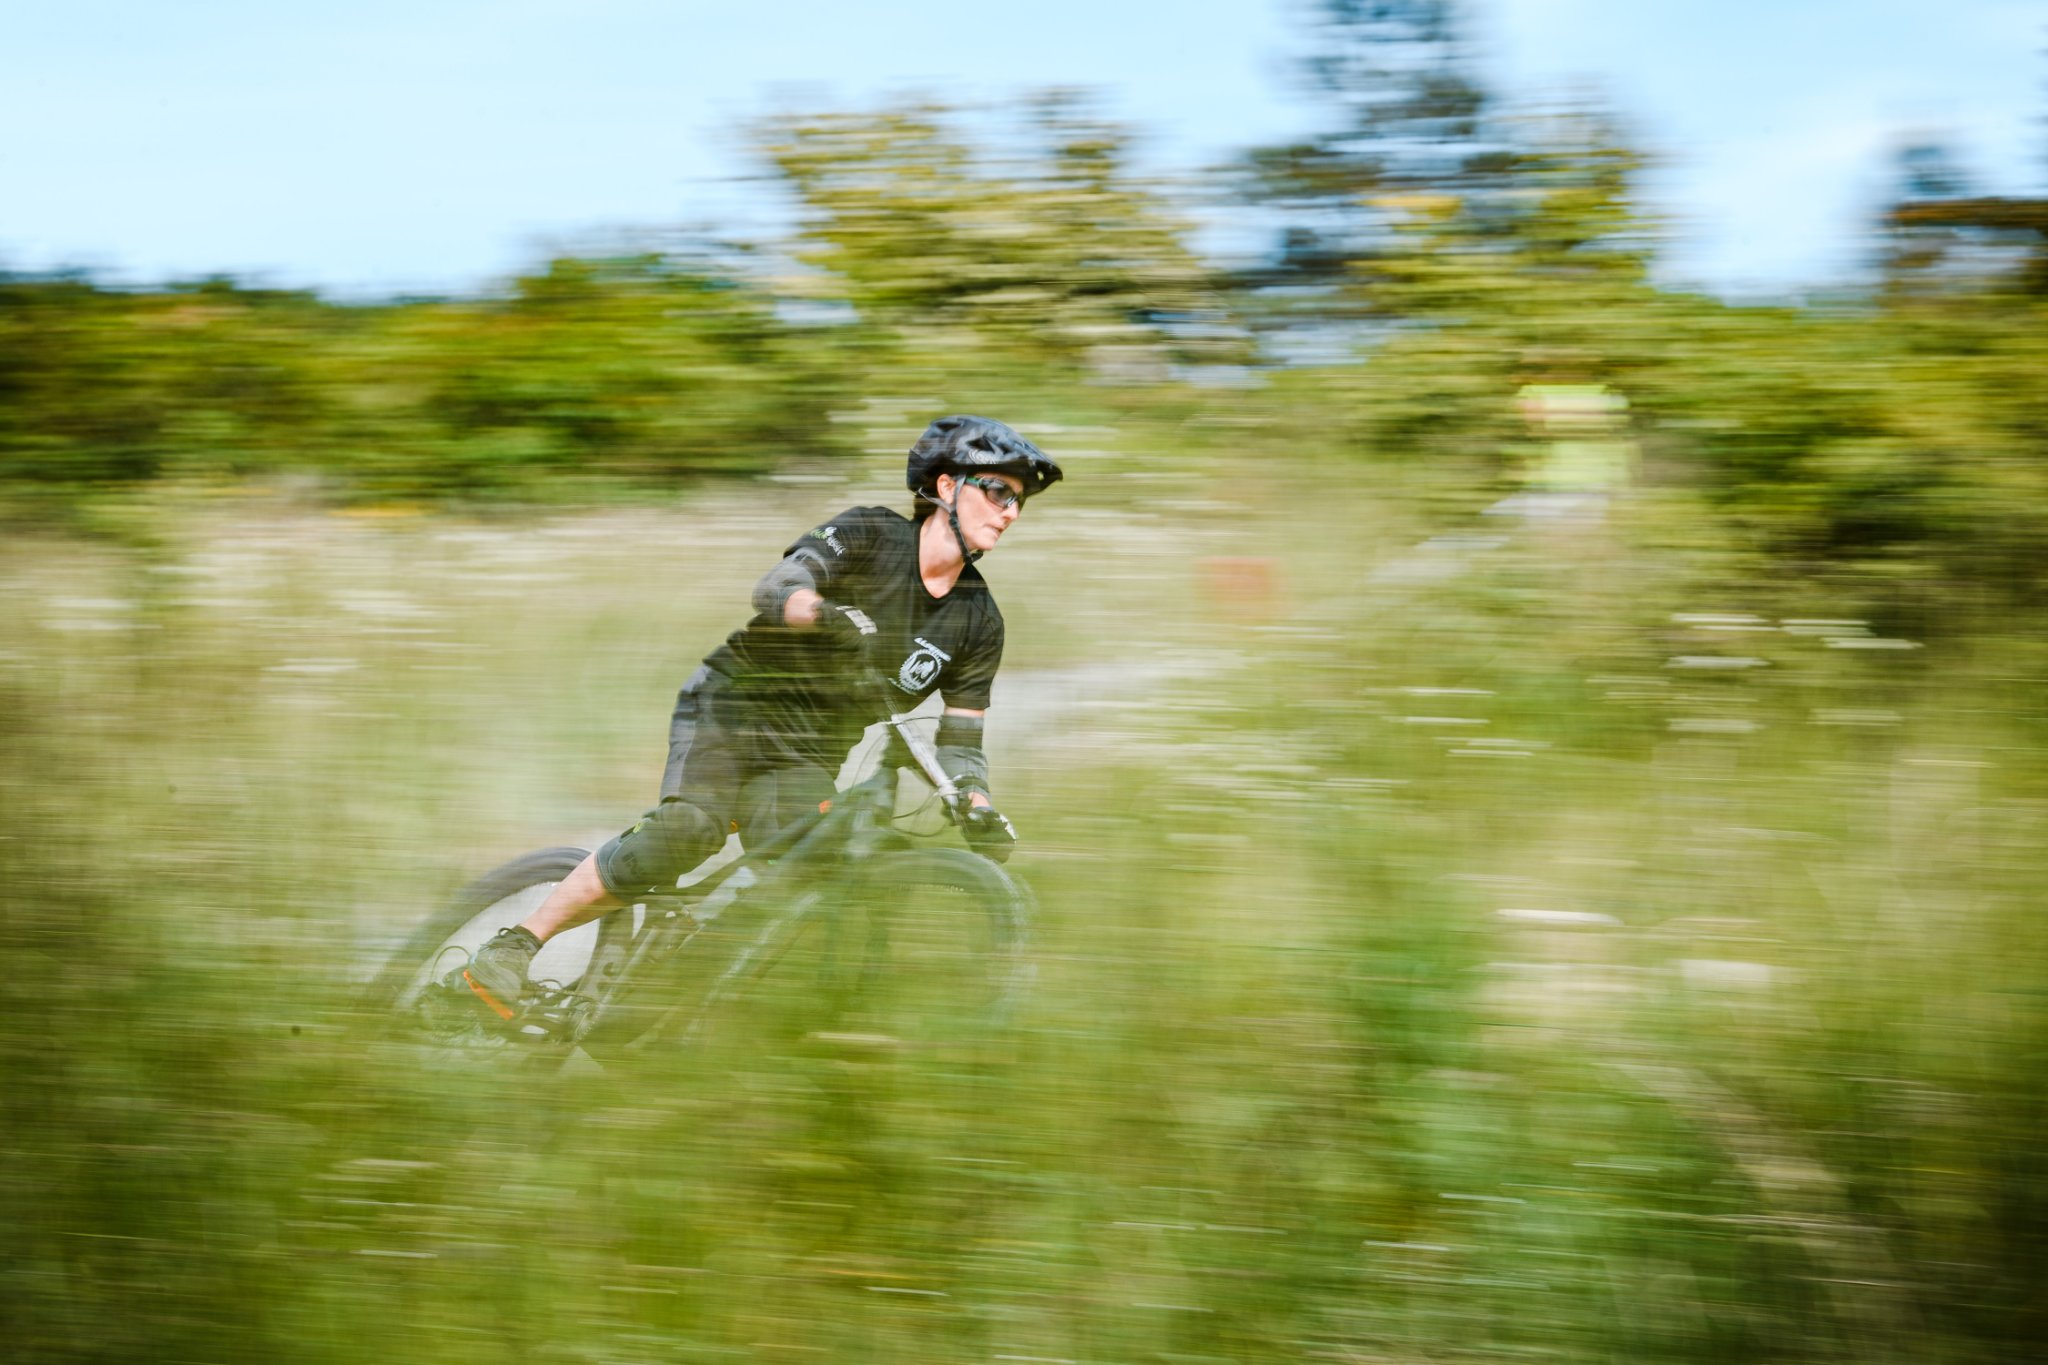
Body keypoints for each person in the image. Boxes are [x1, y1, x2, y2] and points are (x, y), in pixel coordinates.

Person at [446, 415, 1061, 1021]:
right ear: (947, 487)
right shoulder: (872, 535)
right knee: (690, 829)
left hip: (808, 755)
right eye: (998, 491)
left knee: (820, 862)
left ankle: (669, 998)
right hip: (734, 707)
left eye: (1019, 502)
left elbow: (961, 739)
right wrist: (820, 612)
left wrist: (975, 802)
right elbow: (779, 585)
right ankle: (515, 945)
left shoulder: (980, 621)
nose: (1009, 512)